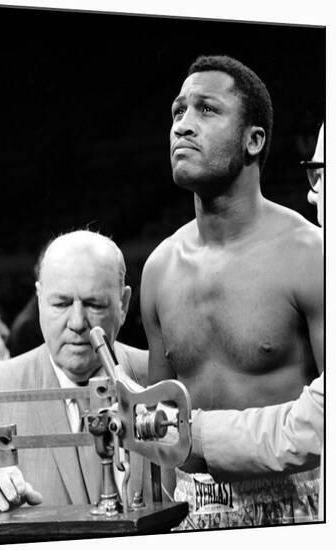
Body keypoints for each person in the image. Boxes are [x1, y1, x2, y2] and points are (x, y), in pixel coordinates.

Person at [141, 55, 323, 529]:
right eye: (178, 111)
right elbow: (162, 426)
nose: (182, 125)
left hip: (302, 509)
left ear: (254, 139)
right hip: (186, 509)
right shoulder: (160, 268)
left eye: (206, 110)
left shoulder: (311, 255)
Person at [0, 230, 148, 514]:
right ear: (39, 298)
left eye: (94, 304)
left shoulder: (161, 380)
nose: (77, 322)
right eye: (61, 304)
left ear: (124, 304)